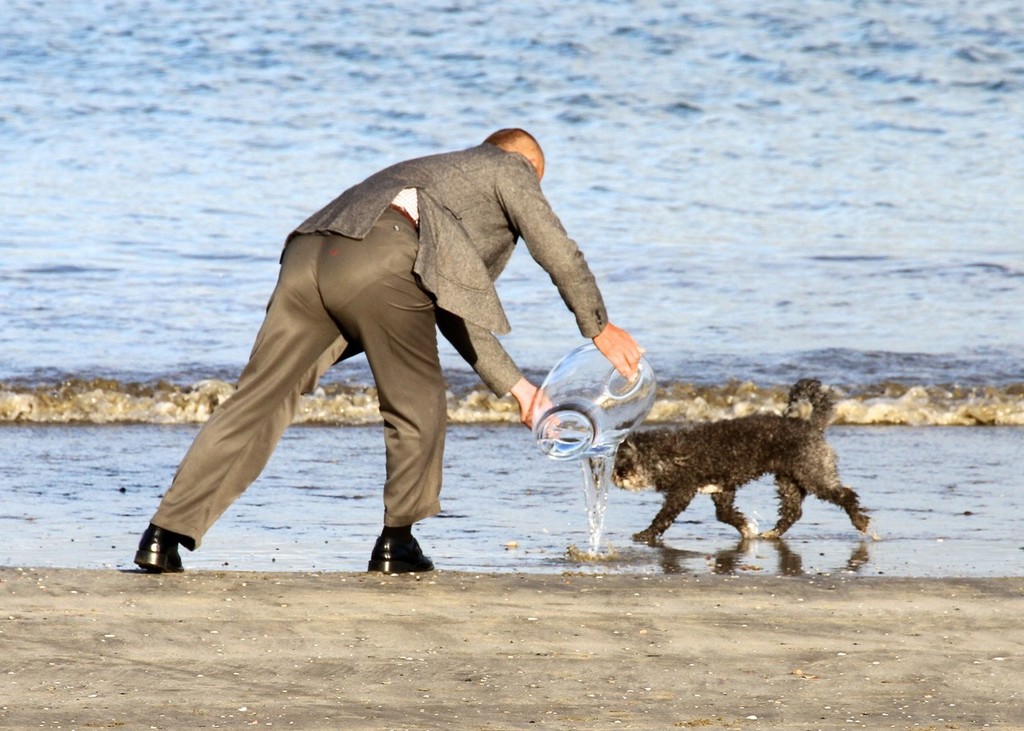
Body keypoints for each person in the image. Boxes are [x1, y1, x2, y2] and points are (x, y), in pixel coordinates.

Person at [133, 128, 644, 574]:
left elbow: (448, 303)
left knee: (260, 399)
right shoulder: (508, 166)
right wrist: (598, 326)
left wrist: (522, 392)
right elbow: (557, 248)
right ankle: (397, 540)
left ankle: (164, 533)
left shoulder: (428, 174)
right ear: (525, 166)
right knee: (415, 402)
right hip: (383, 252)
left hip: (309, 251)